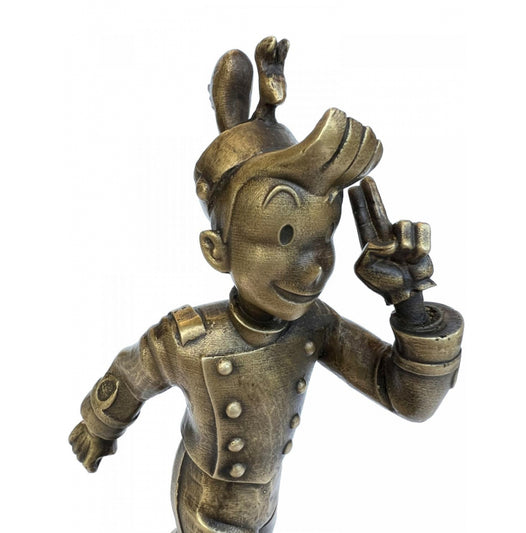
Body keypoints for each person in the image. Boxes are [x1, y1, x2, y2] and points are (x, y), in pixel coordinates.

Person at [69, 37, 463, 533]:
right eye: (284, 236)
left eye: (323, 236)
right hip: (205, 507)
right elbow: (133, 373)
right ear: (217, 250)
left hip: (266, 504)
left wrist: (409, 304)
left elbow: (407, 399)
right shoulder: (191, 339)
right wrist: (98, 426)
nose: (314, 267)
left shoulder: (317, 326)